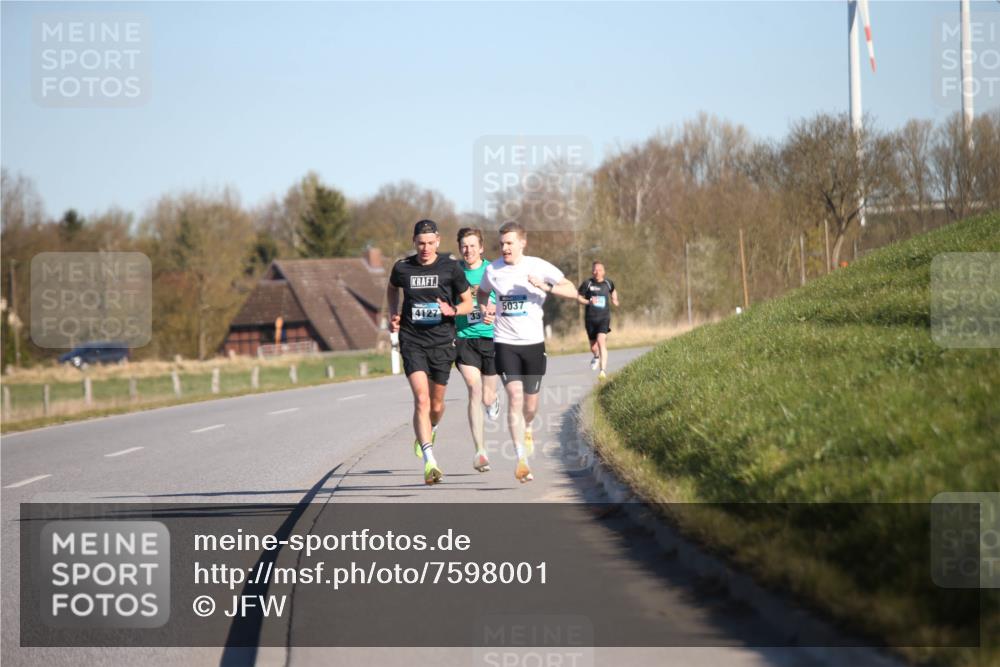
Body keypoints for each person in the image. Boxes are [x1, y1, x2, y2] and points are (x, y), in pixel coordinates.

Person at [479, 221, 588, 483]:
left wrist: (545, 287)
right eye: (502, 243)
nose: (504, 247)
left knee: (530, 404)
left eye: (509, 243)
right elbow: (482, 294)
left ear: (522, 243)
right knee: (514, 397)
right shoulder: (493, 270)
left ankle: (528, 426)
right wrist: (485, 310)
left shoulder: (538, 266)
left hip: (534, 345)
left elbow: (573, 290)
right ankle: (521, 460)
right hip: (505, 343)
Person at [387, 219, 474, 485]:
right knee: (422, 401)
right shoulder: (403, 267)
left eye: (429, 243)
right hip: (412, 340)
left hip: (442, 341)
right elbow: (392, 288)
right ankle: (430, 462)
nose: (425, 248)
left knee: (436, 405)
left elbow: (468, 302)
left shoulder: (451, 268)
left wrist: (453, 311)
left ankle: (432, 427)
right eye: (420, 243)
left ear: (438, 241)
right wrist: (393, 312)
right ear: (414, 242)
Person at [454, 227, 502, 473]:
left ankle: (493, 400)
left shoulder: (492, 270)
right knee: (474, 389)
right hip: (464, 339)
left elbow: (507, 300)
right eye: (464, 245)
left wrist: (495, 314)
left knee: (487, 396)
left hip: (491, 339)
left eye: (472, 245)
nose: (468, 250)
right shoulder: (454, 273)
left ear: (481, 248)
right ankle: (480, 451)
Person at [578, 261, 619, 380]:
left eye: (600, 270)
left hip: (604, 318)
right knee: (593, 347)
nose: (597, 272)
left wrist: (614, 299)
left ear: (603, 271)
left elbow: (613, 290)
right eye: (595, 270)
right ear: (592, 271)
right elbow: (579, 298)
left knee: (602, 341)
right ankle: (596, 356)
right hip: (590, 319)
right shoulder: (587, 283)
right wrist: (588, 301)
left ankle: (603, 371)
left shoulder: (608, 283)